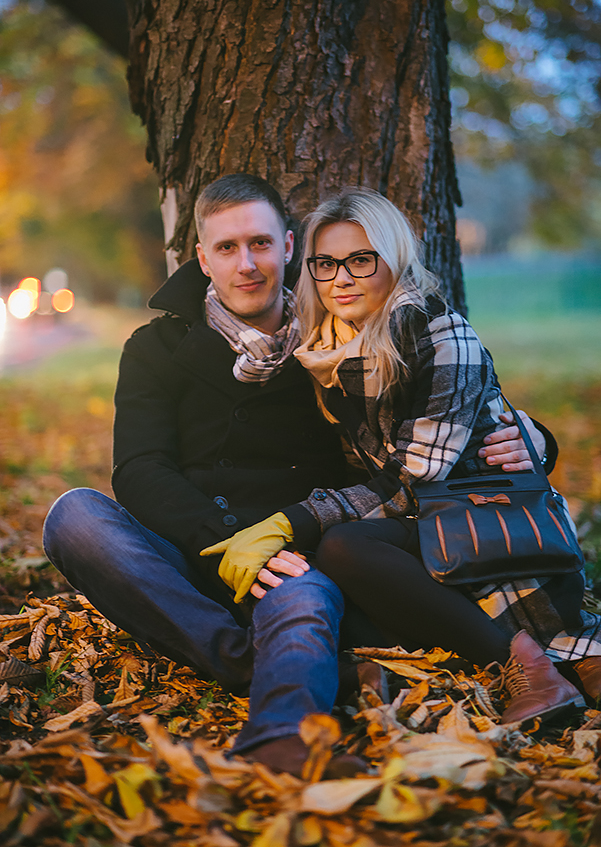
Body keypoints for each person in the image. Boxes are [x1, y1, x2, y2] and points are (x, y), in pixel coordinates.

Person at [43, 175, 556, 776]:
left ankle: (281, 735)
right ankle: (275, 663)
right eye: (228, 249)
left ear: (288, 248)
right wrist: (228, 535)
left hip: (295, 546)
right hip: (189, 538)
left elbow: (443, 403)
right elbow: (138, 470)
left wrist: (532, 440)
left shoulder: (334, 334)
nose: (247, 265)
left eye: (260, 244)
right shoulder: (155, 347)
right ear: (202, 259)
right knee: (74, 515)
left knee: (305, 597)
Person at [205, 186, 601, 726]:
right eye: (325, 264)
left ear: (393, 261)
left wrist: (292, 521)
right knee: (325, 571)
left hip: (484, 523)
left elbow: (415, 478)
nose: (341, 278)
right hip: (418, 527)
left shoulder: (439, 335)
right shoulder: (326, 347)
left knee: (343, 545)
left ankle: (531, 669)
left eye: (360, 260)